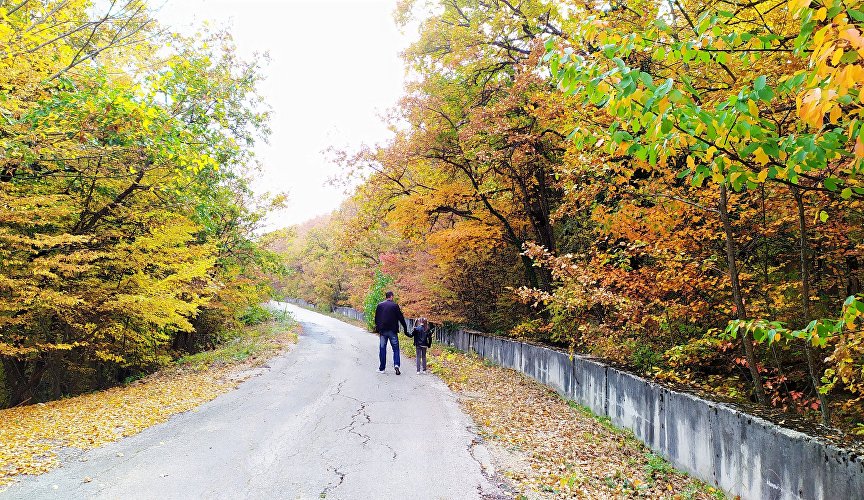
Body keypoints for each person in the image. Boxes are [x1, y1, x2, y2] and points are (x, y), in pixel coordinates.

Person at [374, 291, 407, 374]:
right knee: (395, 349)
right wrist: (405, 328)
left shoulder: (380, 305)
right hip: (393, 331)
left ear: (386, 297)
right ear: (391, 296)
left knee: (382, 349)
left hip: (383, 331)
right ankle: (396, 365)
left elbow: (376, 318)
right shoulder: (395, 306)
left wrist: (378, 329)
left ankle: (382, 369)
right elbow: (401, 318)